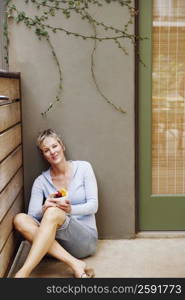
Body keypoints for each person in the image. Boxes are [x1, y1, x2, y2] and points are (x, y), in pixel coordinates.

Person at [13, 129, 98, 278]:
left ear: (62, 146)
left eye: (54, 146)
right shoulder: (41, 181)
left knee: (52, 212)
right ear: (43, 155)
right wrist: (45, 207)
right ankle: (74, 263)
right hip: (55, 243)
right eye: (46, 150)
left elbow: (93, 206)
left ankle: (23, 273)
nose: (52, 152)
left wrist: (69, 209)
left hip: (84, 240)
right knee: (20, 219)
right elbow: (32, 216)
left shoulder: (84, 168)